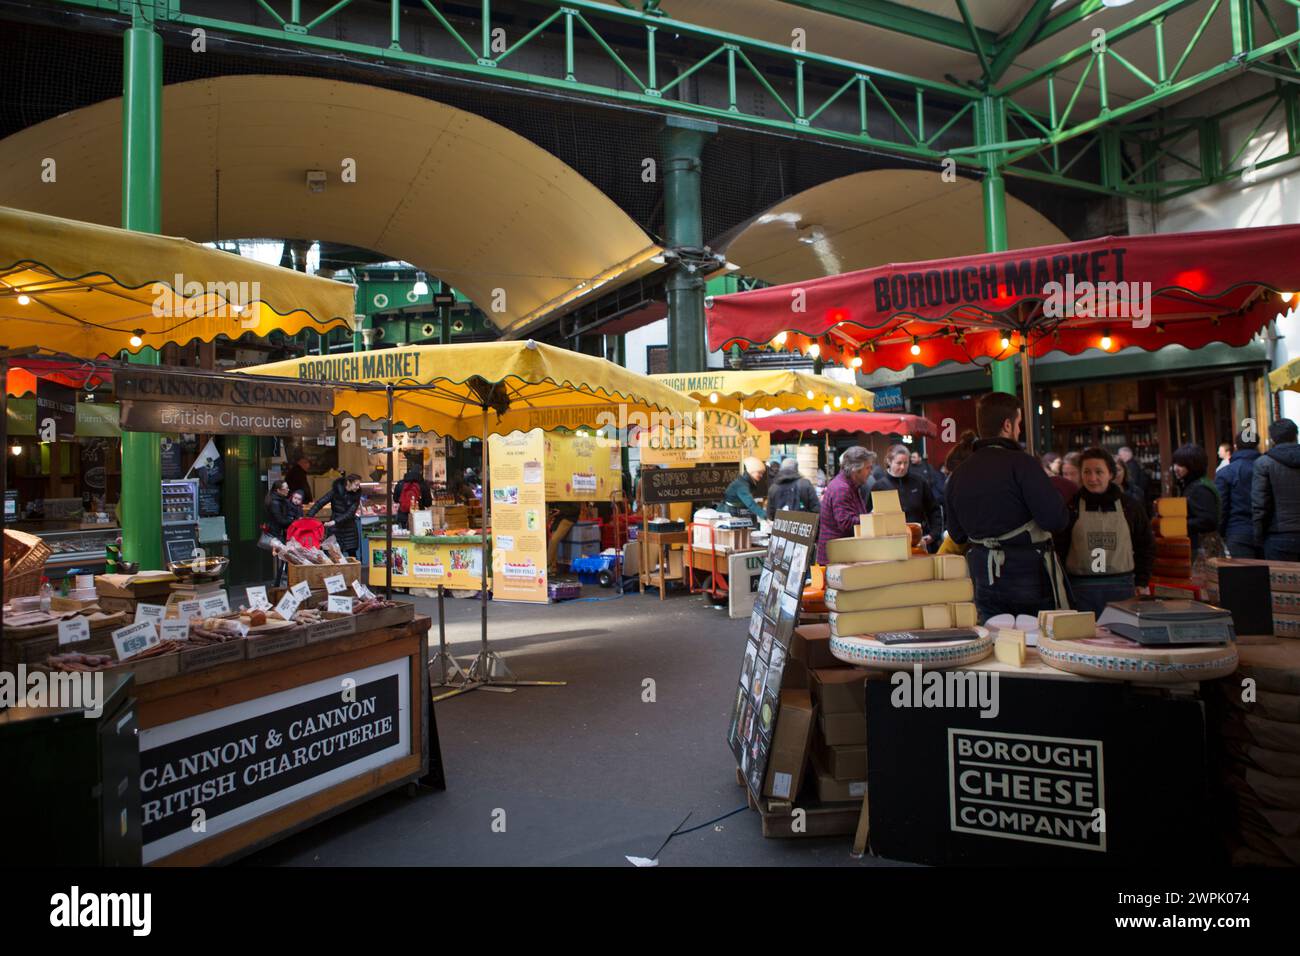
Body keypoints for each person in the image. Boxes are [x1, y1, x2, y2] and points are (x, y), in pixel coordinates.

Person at [945, 392, 1070, 621]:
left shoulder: (957, 475)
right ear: (1007, 425)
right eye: (1019, 424)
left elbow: (957, 535)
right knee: (1037, 645)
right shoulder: (1023, 464)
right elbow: (1055, 520)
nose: (1019, 430)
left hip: (983, 577)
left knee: (999, 646)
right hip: (1027, 576)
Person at [1056, 447, 1153, 615]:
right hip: (1080, 590)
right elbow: (1059, 549)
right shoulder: (1071, 508)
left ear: (1111, 473)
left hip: (1122, 588)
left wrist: (1142, 581)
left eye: (1099, 472)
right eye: (1087, 472)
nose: (1092, 478)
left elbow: (1145, 545)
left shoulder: (1130, 506)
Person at [872, 443, 942, 551]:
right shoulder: (879, 486)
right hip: (890, 544)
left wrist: (934, 533)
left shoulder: (919, 481)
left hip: (919, 541)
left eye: (906, 463)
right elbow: (869, 515)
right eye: (899, 463)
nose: (903, 467)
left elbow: (933, 509)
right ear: (889, 462)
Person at [816, 446, 875, 565]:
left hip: (840, 556)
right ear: (855, 470)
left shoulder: (850, 485)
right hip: (835, 560)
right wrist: (872, 518)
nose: (870, 472)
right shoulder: (842, 488)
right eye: (867, 468)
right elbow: (846, 523)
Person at [1253, 418, 1300, 561]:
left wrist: (1258, 537)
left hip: (1278, 535)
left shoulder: (1264, 463)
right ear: (1296, 435)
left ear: (1272, 439)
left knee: (1280, 582)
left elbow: (1260, 505)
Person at [1216, 429, 1261, 558]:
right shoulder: (1267, 467)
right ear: (1257, 445)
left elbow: (1222, 507)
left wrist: (1221, 531)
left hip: (1237, 530)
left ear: (1236, 446)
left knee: (1243, 575)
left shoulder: (1225, 472)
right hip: (1266, 531)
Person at [1171, 444, 1220, 555]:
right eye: (1175, 463)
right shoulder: (1193, 485)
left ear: (1193, 466)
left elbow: (1208, 521)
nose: (1175, 468)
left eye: (1180, 465)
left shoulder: (1199, 488)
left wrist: (1176, 525)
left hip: (1201, 549)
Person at [308, 473, 364, 558]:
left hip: (349, 528)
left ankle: (353, 571)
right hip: (336, 528)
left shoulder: (356, 495)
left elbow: (350, 513)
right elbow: (320, 502)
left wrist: (334, 521)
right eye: (356, 485)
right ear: (348, 482)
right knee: (335, 554)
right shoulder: (336, 491)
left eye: (359, 485)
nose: (358, 487)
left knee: (352, 553)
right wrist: (309, 516)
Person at [264, 480, 302, 586]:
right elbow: (280, 520)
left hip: (279, 533)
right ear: (279, 490)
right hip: (277, 535)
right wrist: (294, 521)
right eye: (286, 488)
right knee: (282, 559)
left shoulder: (280, 500)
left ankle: (280, 584)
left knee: (283, 560)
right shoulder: (275, 503)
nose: (288, 490)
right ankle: (278, 585)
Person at [722, 457, 767, 523]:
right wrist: (765, 515)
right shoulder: (742, 485)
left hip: (736, 510)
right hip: (733, 512)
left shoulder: (745, 482)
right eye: (759, 472)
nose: (761, 475)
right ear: (751, 471)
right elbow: (750, 503)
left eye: (762, 473)